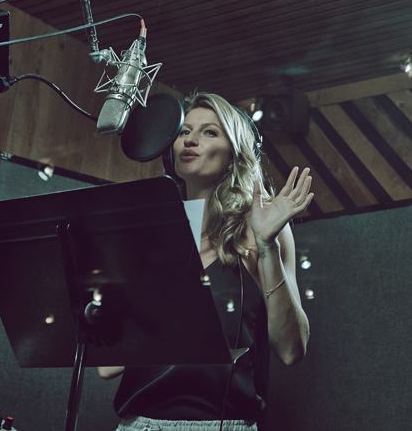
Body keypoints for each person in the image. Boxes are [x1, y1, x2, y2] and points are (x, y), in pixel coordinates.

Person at [99, 92, 313, 431]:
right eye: (184, 131)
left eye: (210, 132)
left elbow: (291, 349)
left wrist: (267, 245)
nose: (190, 140)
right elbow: (109, 366)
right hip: (140, 424)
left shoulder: (261, 228)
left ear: (234, 153)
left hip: (223, 424)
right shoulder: (151, 234)